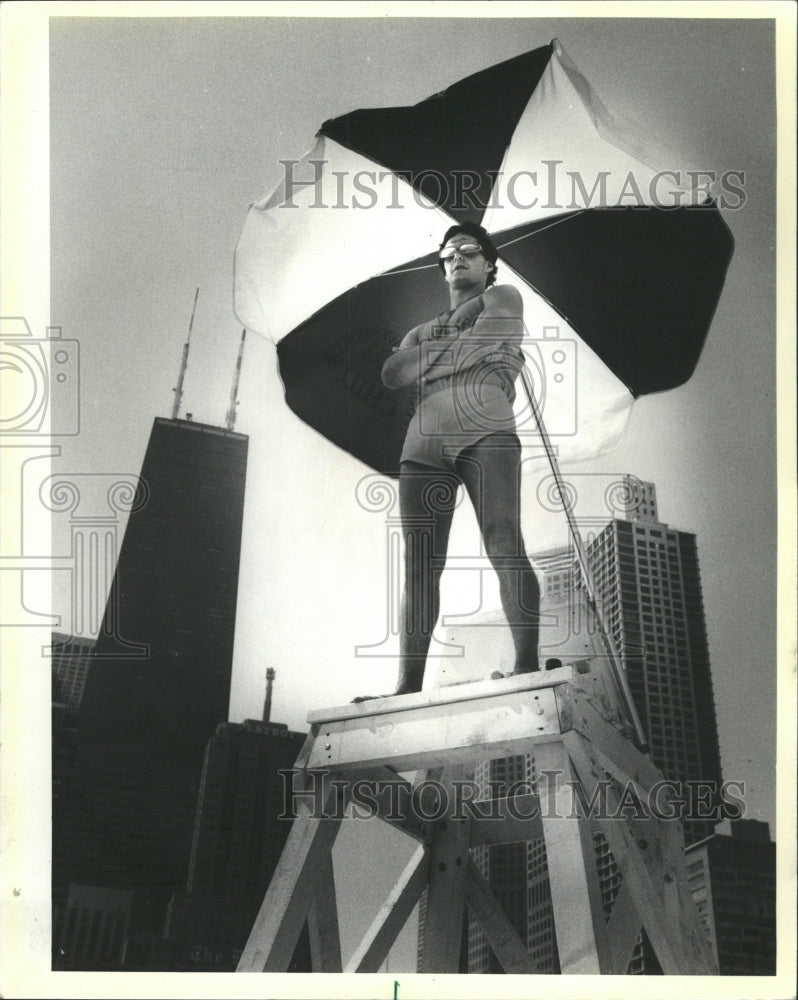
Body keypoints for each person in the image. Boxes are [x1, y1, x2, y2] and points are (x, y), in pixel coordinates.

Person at [366, 222, 541, 698]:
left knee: (503, 538)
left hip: (485, 418)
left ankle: (527, 662)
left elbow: (488, 338)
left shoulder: (502, 296)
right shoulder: (417, 328)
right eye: (449, 253)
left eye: (470, 250)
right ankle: (407, 684)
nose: (458, 256)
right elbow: (392, 373)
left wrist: (428, 358)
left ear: (488, 264)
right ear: (442, 268)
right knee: (419, 563)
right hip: (424, 437)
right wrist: (458, 351)